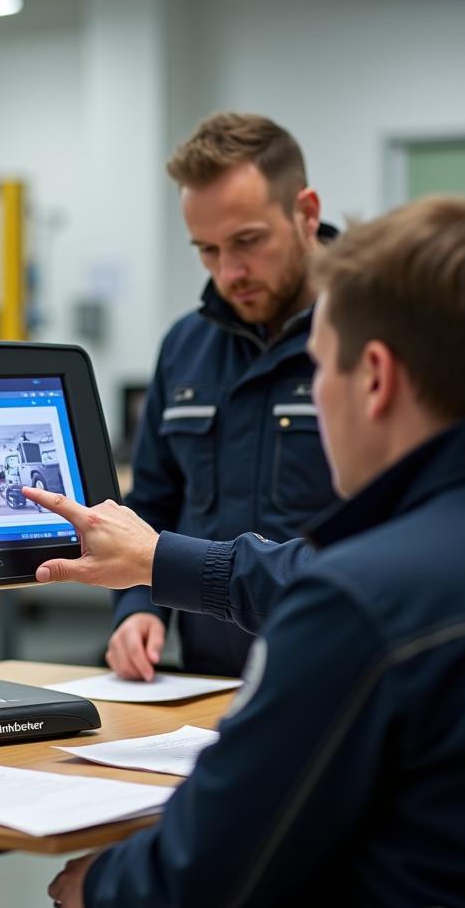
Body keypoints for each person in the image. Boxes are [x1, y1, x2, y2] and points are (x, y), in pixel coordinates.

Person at [30, 196, 465, 908]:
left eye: (321, 370)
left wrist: (100, 885)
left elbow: (203, 881)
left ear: (376, 380)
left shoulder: (360, 602)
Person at [109, 112, 337, 681]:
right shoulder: (186, 345)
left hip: (332, 673)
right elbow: (152, 503)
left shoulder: (368, 337)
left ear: (306, 213)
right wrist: (136, 606)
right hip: (204, 684)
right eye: (207, 249)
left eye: (248, 242)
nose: (229, 272)